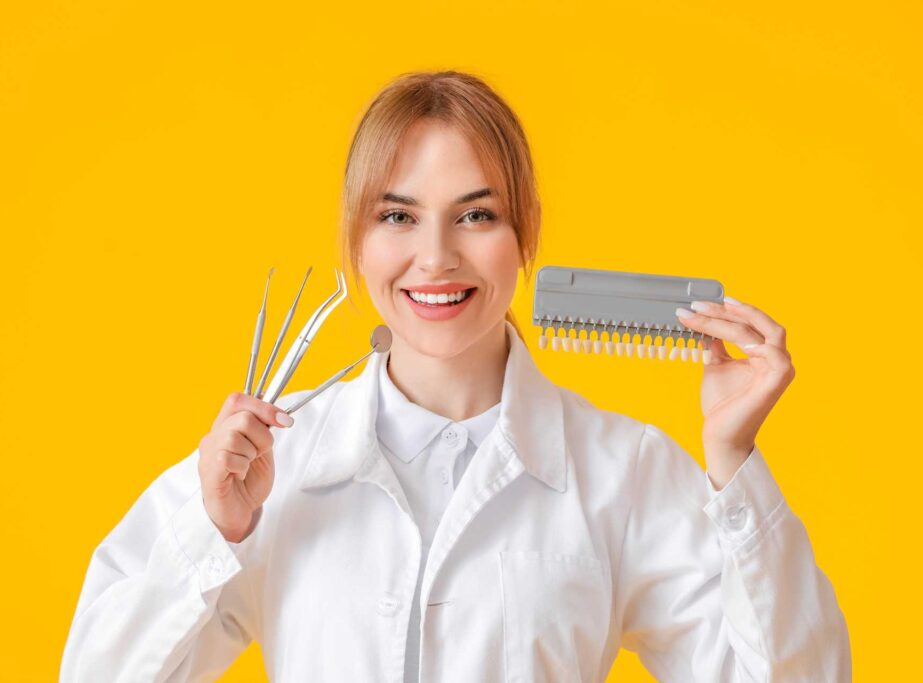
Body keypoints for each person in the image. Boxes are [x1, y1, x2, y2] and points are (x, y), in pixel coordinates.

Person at [60, 70, 851, 682]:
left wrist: (733, 460)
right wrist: (215, 533)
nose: (435, 258)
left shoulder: (624, 472)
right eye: (397, 215)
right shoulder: (272, 469)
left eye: (476, 214)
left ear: (526, 229)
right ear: (356, 240)